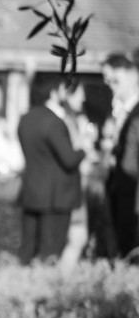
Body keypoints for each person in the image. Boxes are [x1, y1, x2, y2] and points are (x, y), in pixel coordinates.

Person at [16, 80, 87, 265]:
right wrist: (84, 148)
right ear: (55, 92)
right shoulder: (54, 122)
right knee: (51, 253)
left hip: (31, 191)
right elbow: (69, 160)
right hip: (56, 197)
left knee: (27, 251)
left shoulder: (26, 118)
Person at [58, 81, 98, 270]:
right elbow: (72, 154)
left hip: (77, 185)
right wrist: (85, 142)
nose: (83, 98)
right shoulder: (64, 121)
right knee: (77, 236)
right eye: (79, 94)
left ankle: (64, 278)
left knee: (78, 236)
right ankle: (61, 279)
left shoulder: (75, 119)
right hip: (70, 186)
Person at [103, 53, 139, 260]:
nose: (109, 85)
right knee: (119, 237)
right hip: (118, 182)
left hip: (131, 185)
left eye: (114, 80)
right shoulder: (118, 110)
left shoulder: (135, 111)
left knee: (129, 240)